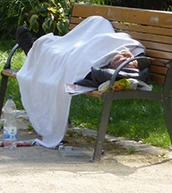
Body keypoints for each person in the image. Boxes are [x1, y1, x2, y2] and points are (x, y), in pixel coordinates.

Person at [13, 16, 146, 148]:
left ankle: (33, 51)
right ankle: (36, 51)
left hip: (80, 56)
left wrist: (117, 63)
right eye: (126, 57)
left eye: (128, 61)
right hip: (86, 42)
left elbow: (80, 63)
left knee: (59, 54)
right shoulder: (126, 45)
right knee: (96, 22)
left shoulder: (100, 69)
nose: (128, 57)